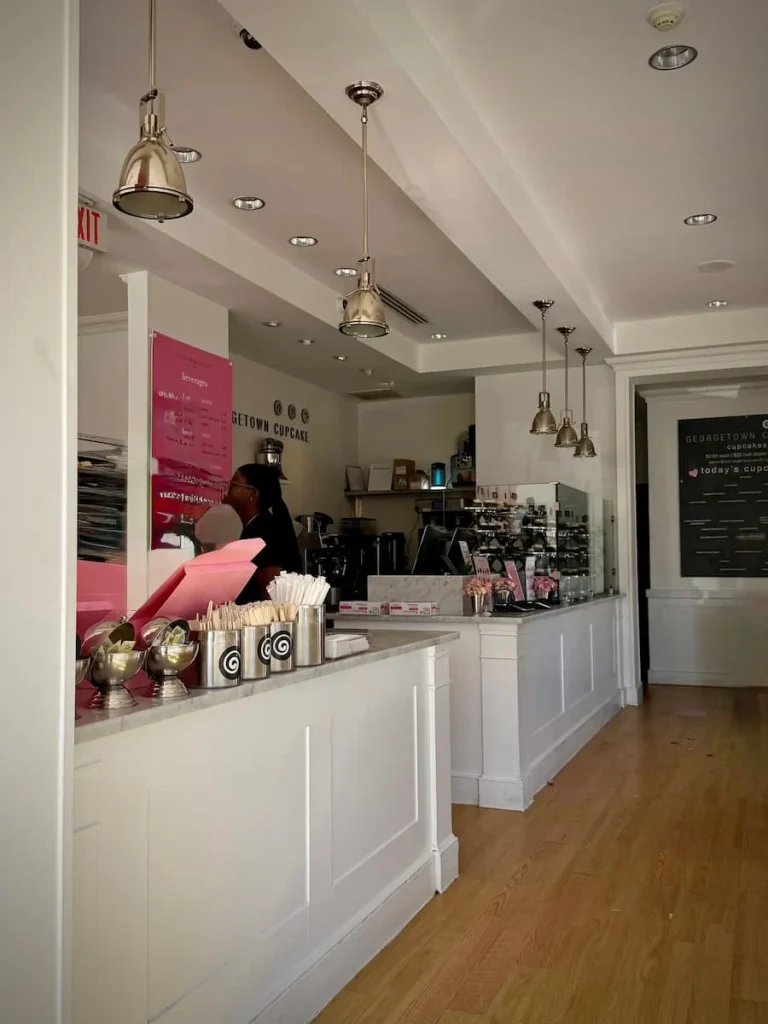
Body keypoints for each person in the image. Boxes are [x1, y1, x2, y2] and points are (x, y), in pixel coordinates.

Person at [224, 463, 301, 603]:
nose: (227, 488)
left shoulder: (263, 530)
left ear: (252, 494)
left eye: (234, 483)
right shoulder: (256, 526)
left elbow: (271, 587)